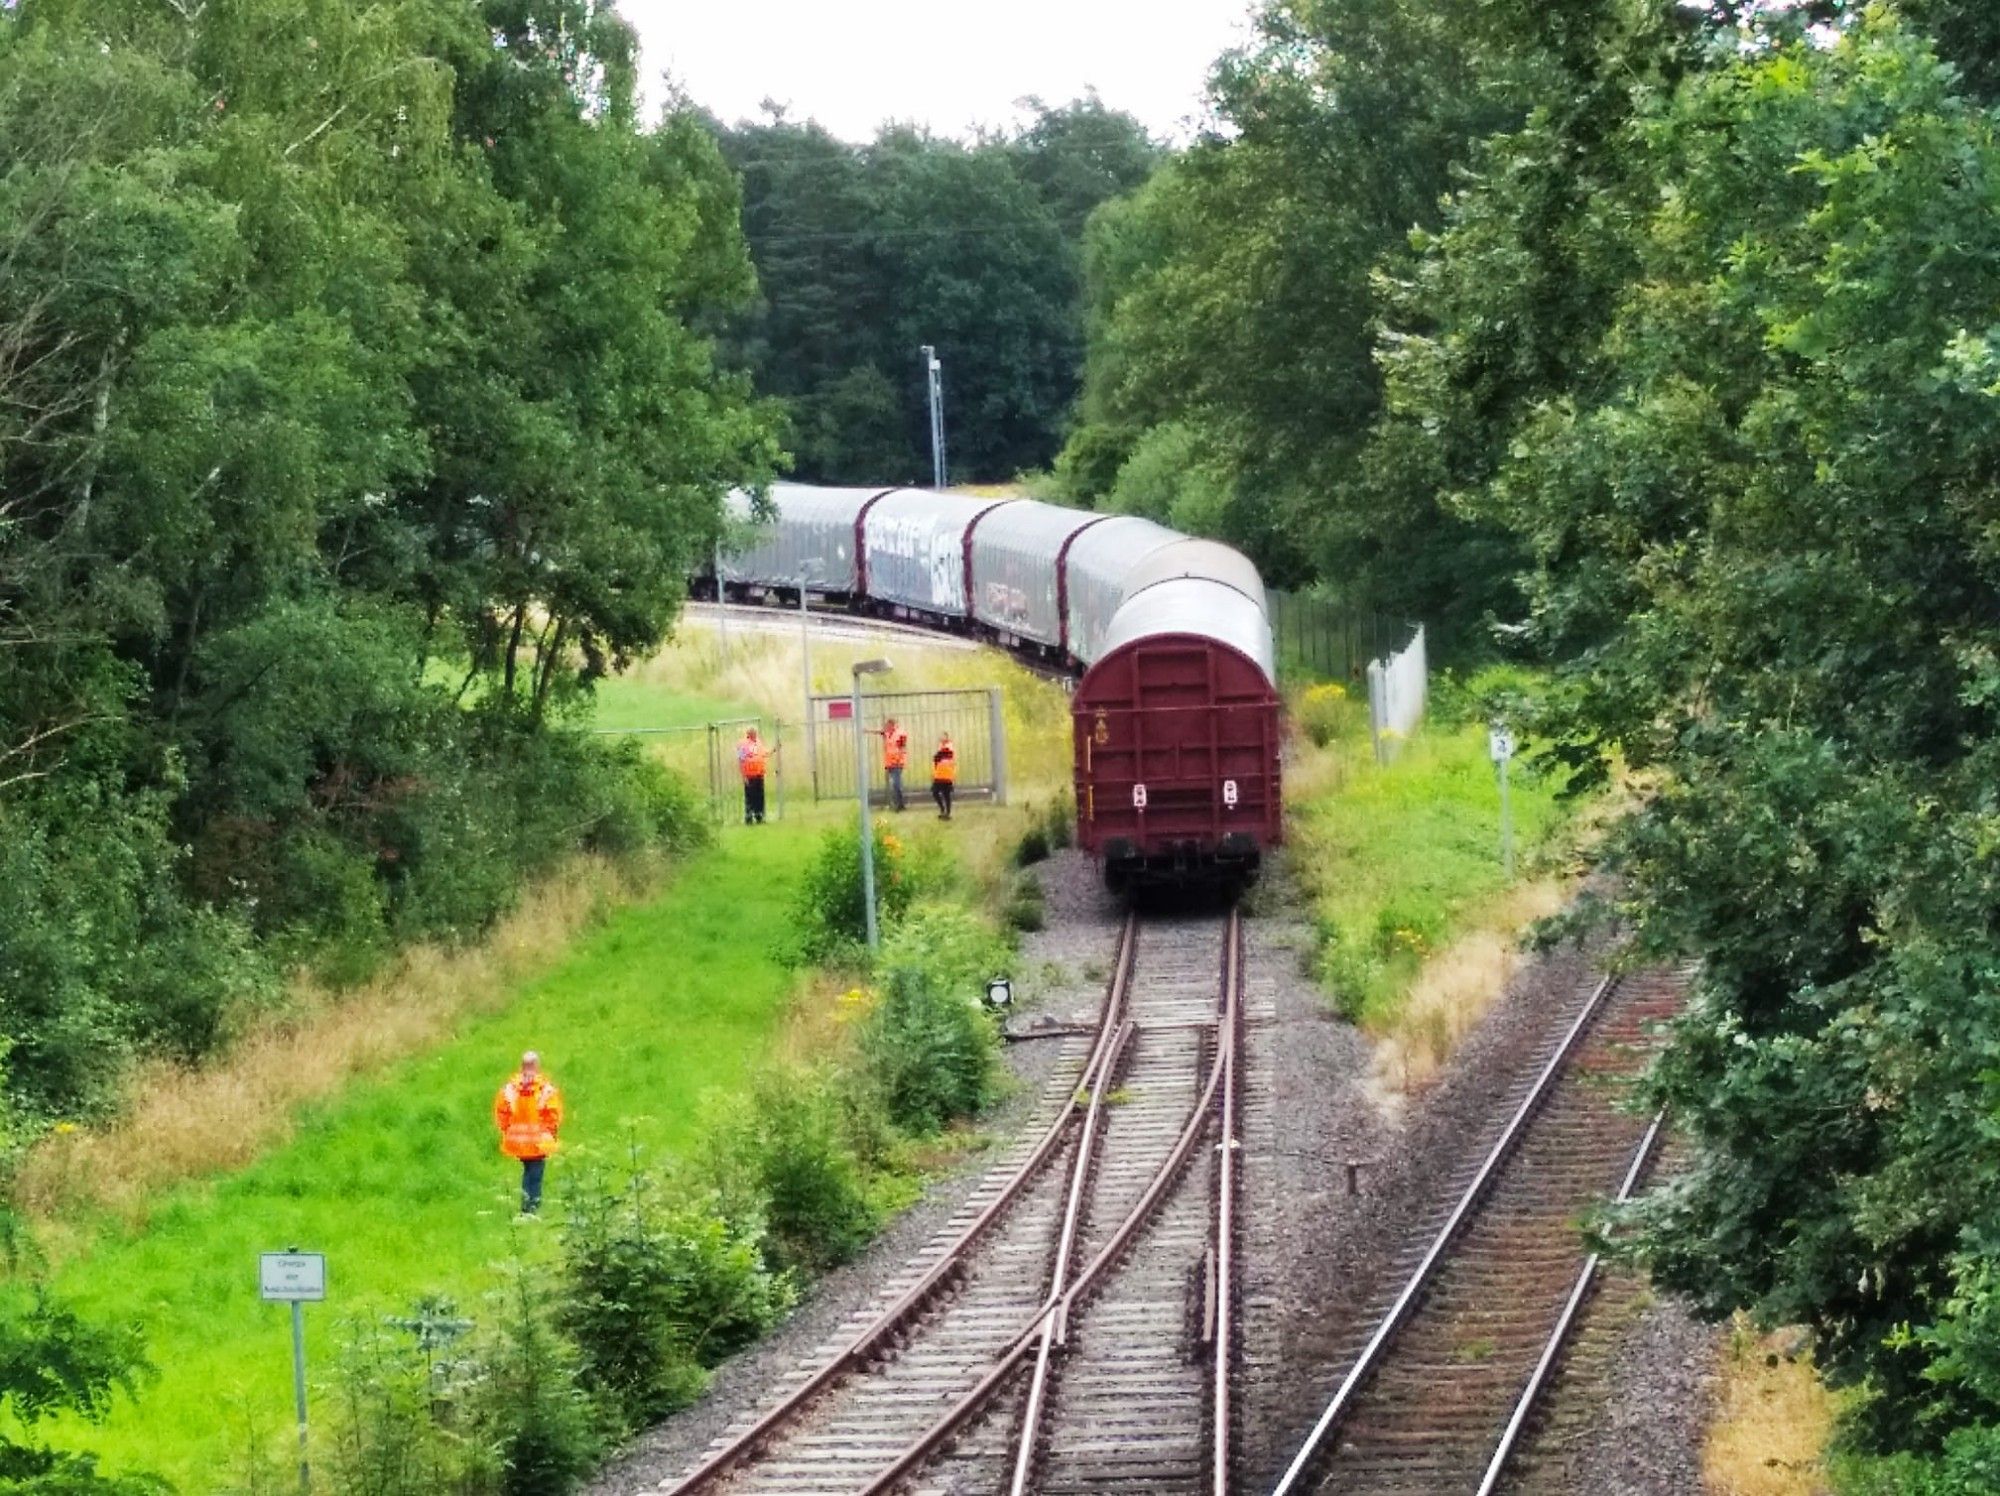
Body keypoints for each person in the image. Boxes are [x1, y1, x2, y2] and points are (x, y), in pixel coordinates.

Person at [494, 1050, 563, 1215]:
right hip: (539, 1142)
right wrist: (551, 1132)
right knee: (536, 1175)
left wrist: (508, 1131)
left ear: (522, 1066)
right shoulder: (545, 1089)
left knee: (528, 1172)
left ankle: (527, 1206)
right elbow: (553, 1114)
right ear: (537, 1066)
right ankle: (532, 1208)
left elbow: (501, 1113)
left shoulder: (510, 1089)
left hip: (518, 1143)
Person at [737, 726, 777, 824]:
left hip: (759, 774)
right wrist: (743, 776)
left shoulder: (758, 743)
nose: (755, 735)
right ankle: (749, 817)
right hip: (749, 776)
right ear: (749, 734)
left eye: (755, 733)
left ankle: (759, 816)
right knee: (750, 797)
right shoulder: (743, 745)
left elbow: (765, 753)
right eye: (753, 733)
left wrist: (774, 750)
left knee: (759, 797)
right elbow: (741, 760)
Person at [871, 717, 910, 811]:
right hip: (890, 762)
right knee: (895, 784)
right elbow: (880, 732)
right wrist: (868, 731)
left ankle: (900, 804)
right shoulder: (887, 733)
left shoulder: (900, 734)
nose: (886, 727)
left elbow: (902, 748)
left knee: (896, 784)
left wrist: (899, 759)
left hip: (897, 762)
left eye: (888, 725)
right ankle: (900, 804)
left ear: (893, 725)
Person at [931, 732, 957, 820]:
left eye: (943, 736)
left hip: (947, 774)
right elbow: (936, 759)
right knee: (935, 792)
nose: (941, 738)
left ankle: (947, 812)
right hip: (939, 774)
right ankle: (943, 809)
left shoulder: (949, 746)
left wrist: (937, 756)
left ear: (947, 737)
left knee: (946, 794)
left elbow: (939, 756)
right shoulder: (941, 746)